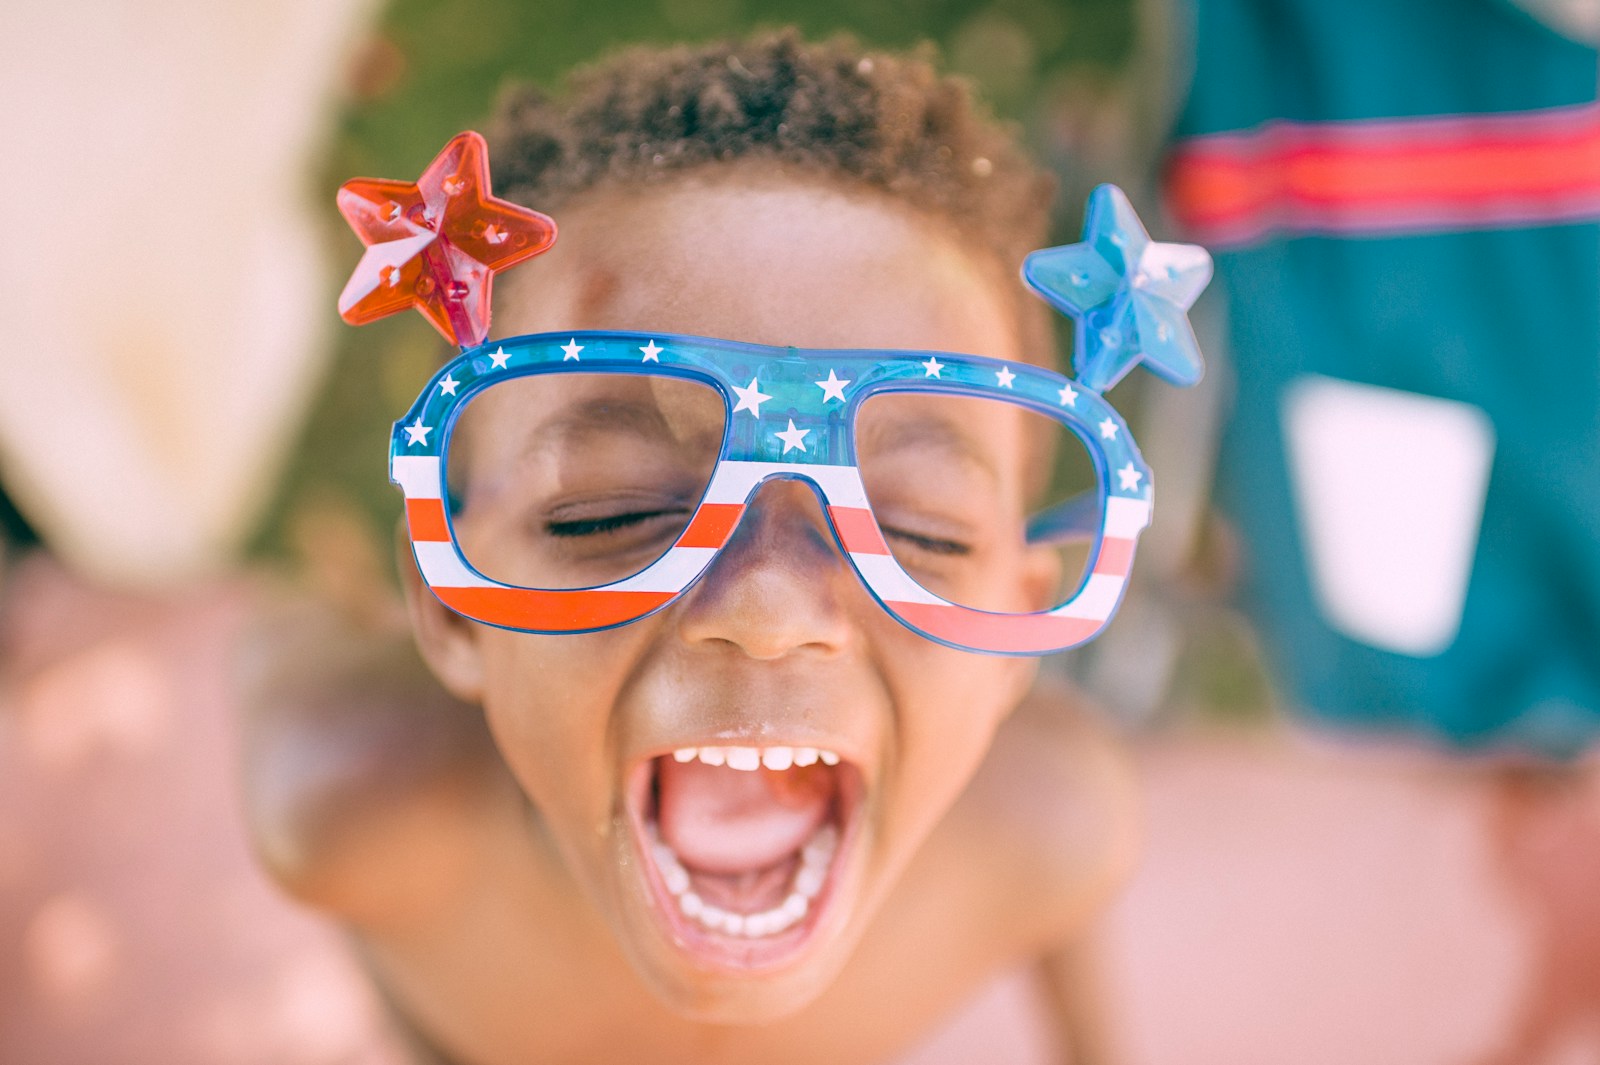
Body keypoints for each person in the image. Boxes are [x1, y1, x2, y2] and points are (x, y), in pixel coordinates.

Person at [242, 31, 1207, 1064]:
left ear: (1016, 637)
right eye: (603, 516)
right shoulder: (352, 822)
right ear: (446, 603)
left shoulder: (1054, 836)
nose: (768, 609)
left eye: (921, 532)